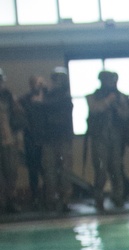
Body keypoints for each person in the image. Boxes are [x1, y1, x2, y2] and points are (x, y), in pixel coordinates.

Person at [86, 69, 129, 212]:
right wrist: (108, 101)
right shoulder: (94, 96)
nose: (111, 83)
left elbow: (127, 115)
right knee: (100, 170)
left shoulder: (121, 97)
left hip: (116, 138)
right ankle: (99, 198)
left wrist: (118, 105)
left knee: (116, 168)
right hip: (100, 138)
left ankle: (118, 196)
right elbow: (94, 109)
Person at [41, 67, 74, 214]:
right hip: (49, 140)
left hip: (63, 139)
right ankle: (52, 201)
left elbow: (53, 105)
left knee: (65, 172)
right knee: (50, 172)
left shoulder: (65, 98)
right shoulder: (47, 95)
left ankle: (64, 201)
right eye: (56, 79)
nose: (58, 82)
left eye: (61, 79)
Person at [19, 75, 47, 210]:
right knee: (33, 170)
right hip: (31, 139)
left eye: (41, 83)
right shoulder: (25, 100)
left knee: (47, 170)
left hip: (46, 139)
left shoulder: (48, 99)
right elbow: (23, 118)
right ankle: (35, 197)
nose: (39, 86)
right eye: (37, 83)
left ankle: (48, 197)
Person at [0, 69, 24, 214]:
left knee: (11, 173)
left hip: (8, 141)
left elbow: (18, 119)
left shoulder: (9, 97)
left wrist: (18, 139)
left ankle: (10, 200)